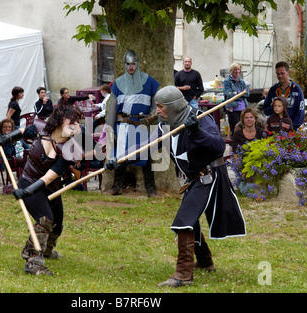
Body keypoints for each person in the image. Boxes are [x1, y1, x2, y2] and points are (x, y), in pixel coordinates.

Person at [105, 85, 246, 287]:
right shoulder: (165, 125)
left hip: (210, 175)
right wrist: (119, 159)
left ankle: (183, 275)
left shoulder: (201, 118)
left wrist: (196, 130)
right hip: (195, 179)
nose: (158, 111)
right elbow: (145, 147)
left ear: (173, 106)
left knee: (184, 220)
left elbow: (218, 146)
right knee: (190, 221)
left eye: (161, 107)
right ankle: (206, 262)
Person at [0, 103, 84, 276]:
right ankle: (33, 260)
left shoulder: (68, 150)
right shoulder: (40, 128)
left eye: (77, 122)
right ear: (59, 120)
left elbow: (49, 176)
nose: (75, 126)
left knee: (57, 226)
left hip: (48, 187)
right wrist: (6, 138)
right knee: (45, 220)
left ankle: (48, 250)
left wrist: (28, 193)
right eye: (71, 121)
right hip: (28, 182)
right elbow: (22, 132)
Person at [105, 49, 160, 197]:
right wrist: (110, 131)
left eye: (133, 64)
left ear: (138, 64)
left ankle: (151, 189)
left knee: (146, 156)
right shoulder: (118, 84)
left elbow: (157, 104)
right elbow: (112, 109)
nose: (131, 67)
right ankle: (116, 187)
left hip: (141, 124)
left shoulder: (149, 82)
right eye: (128, 64)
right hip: (123, 125)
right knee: (121, 156)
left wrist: (151, 117)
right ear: (124, 65)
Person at [263, 61, 305, 130]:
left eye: (282, 73)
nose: (280, 76)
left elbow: (300, 111)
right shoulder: (273, 89)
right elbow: (265, 109)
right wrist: (275, 106)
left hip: (291, 129)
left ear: (288, 72)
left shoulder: (296, 89)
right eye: (278, 74)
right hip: (274, 129)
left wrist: (292, 127)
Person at [223, 62, 250, 138]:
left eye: (238, 69)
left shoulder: (241, 81)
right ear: (231, 70)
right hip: (233, 109)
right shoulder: (227, 81)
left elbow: (247, 94)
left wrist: (237, 94)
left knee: (244, 129)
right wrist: (242, 94)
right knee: (235, 130)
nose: (237, 71)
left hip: (243, 108)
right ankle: (235, 147)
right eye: (235, 69)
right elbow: (229, 94)